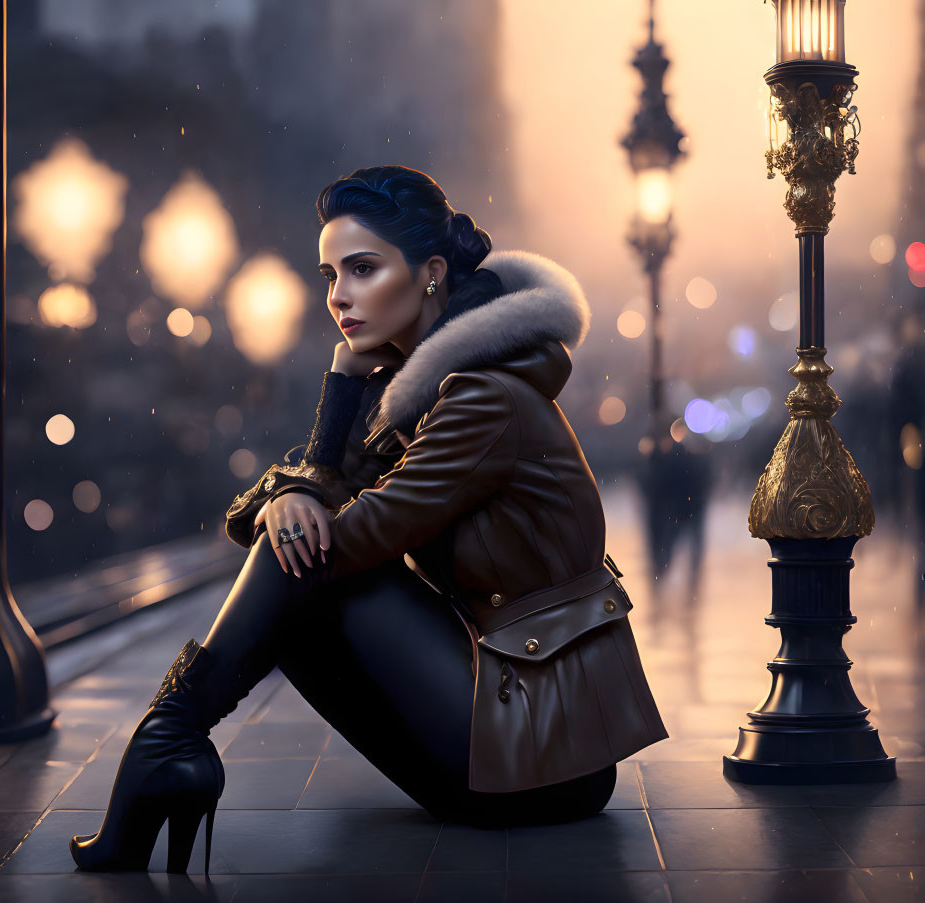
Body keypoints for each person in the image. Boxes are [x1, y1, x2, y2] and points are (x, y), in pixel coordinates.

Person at [69, 165, 669, 874]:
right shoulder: (428, 393)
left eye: (361, 268)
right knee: (296, 556)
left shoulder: (483, 400)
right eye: (329, 275)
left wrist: (291, 494)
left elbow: (356, 533)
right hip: (523, 726)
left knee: (300, 554)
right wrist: (327, 424)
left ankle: (166, 743)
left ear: (429, 273)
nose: (338, 296)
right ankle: (169, 744)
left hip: (544, 755)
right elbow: (333, 501)